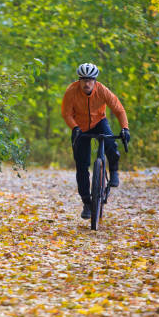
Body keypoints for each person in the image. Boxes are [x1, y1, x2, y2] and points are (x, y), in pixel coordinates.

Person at [61, 63, 130, 219]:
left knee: (111, 144)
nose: (87, 83)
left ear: (95, 80)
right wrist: (75, 127)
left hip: (99, 122)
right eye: (84, 80)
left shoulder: (102, 91)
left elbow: (119, 110)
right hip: (80, 127)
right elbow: (66, 114)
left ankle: (113, 170)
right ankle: (86, 202)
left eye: (90, 80)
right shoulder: (71, 92)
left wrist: (125, 128)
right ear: (79, 80)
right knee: (81, 165)